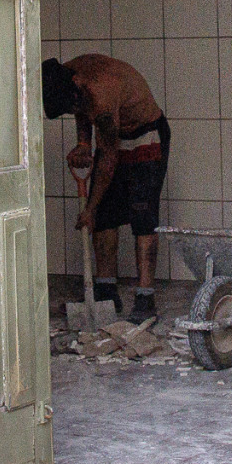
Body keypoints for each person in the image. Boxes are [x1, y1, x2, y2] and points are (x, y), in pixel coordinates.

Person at [41, 53, 171, 320]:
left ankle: (145, 298)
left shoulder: (101, 92)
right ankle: (105, 291)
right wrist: (84, 144)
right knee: (106, 218)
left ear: (78, 84)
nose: (71, 110)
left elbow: (109, 157)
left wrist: (89, 206)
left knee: (142, 215)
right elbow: (81, 109)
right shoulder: (70, 75)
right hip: (113, 132)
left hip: (146, 133)